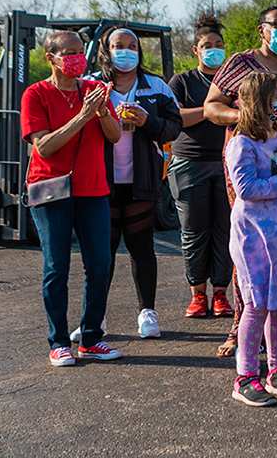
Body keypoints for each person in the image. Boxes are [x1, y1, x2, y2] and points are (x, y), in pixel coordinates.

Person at [205, 5, 277, 357]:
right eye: (276, 25)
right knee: (254, 246)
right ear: (261, 29)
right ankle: (242, 324)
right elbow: (210, 107)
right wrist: (251, 118)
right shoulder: (240, 63)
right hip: (249, 159)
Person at [23, 30, 123, 366]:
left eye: (80, 51)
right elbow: (44, 147)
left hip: (93, 189)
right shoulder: (35, 94)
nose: (76, 58)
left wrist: (103, 114)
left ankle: (91, 337)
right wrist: (82, 116)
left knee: (99, 264)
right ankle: (58, 341)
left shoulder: (95, 90)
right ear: (50, 58)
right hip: (51, 189)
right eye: (68, 53)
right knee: (57, 266)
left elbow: (114, 136)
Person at [226, 72, 277, 407]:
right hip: (255, 238)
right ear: (256, 101)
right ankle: (246, 375)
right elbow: (246, 189)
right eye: (276, 96)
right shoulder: (241, 143)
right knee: (257, 305)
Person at [94, 27, 182, 340]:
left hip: (142, 180)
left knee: (141, 248)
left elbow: (174, 127)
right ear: (107, 49)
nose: (126, 51)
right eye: (119, 45)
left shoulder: (156, 86)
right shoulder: (92, 85)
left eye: (132, 46)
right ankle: (95, 318)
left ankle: (148, 313)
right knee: (101, 252)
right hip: (100, 182)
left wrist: (148, 122)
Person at [168, 16, 233, 318]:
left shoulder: (232, 83)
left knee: (225, 229)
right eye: (207, 46)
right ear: (196, 50)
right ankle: (197, 292)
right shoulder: (182, 82)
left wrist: (218, 110)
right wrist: (211, 111)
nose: (214, 50)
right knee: (193, 230)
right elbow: (176, 118)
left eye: (219, 45)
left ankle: (220, 292)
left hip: (227, 161)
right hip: (189, 163)